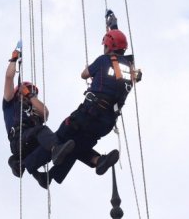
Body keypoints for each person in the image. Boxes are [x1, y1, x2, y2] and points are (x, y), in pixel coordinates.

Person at [30, 28, 141, 185]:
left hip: (91, 112)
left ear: (109, 46)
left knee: (63, 135)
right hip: (107, 122)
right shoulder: (131, 71)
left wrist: (96, 71)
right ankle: (95, 161)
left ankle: (29, 163)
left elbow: (84, 74)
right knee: (78, 145)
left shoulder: (104, 60)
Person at [3, 43, 75, 188]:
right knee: (43, 131)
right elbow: (9, 78)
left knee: (67, 143)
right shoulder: (11, 103)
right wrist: (14, 59)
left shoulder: (33, 109)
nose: (30, 96)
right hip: (19, 139)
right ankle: (55, 149)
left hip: (31, 143)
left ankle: (44, 176)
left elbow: (45, 113)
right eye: (27, 91)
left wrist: (30, 96)